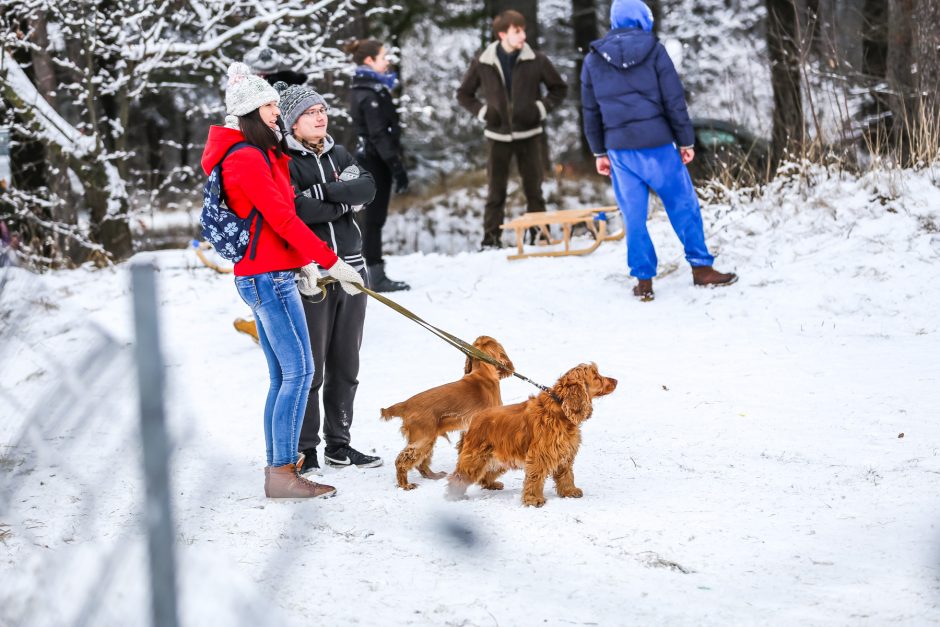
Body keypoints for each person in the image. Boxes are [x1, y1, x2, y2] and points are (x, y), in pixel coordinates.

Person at [200, 62, 365, 498]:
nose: (277, 110)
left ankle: (280, 469)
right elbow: (285, 218)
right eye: (270, 104)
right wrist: (331, 262)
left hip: (274, 271)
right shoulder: (245, 159)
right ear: (253, 111)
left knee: (283, 376)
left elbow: (275, 226)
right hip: (267, 277)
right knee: (300, 373)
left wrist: (303, 264)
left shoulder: (257, 154)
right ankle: (283, 472)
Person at [580, 0, 737, 301]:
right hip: (659, 146)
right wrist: (686, 141)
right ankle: (702, 268)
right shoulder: (654, 49)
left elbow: (590, 111)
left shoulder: (593, 59)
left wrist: (599, 152)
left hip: (620, 151)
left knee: (634, 217)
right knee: (683, 206)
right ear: (642, 19)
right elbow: (673, 99)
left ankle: (643, 282)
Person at [275, 82, 383, 474]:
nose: (320, 117)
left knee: (346, 365)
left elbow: (367, 188)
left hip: (352, 269)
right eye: (309, 113)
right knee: (312, 369)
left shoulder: (339, 152)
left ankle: (341, 445)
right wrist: (340, 200)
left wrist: (325, 192)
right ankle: (308, 451)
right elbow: (298, 210)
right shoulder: (284, 160)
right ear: (292, 123)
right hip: (312, 277)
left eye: (321, 110)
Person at [456, 9, 567, 250]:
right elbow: (464, 94)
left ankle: (538, 235)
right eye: (517, 31)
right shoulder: (482, 62)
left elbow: (559, 89)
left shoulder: (537, 60)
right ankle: (491, 240)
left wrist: (540, 108)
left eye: (523, 30)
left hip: (529, 134)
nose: (523, 35)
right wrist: (483, 112)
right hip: (497, 136)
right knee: (496, 192)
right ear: (502, 34)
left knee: (534, 189)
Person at [347, 39, 410, 292]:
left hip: (375, 158)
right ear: (369, 61)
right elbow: (379, 134)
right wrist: (397, 166)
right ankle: (375, 275)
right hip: (375, 161)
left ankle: (372, 272)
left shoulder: (371, 88)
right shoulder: (368, 93)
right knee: (373, 219)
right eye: (383, 56)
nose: (387, 61)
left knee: (374, 219)